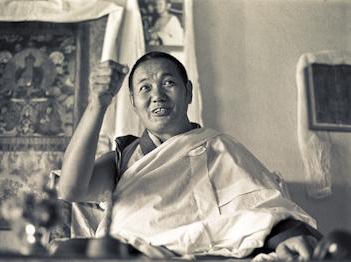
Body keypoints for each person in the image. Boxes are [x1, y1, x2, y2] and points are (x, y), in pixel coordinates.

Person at [58, 52, 321, 259]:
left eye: (168, 83)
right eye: (145, 88)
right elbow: (70, 190)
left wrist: (288, 235)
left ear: (189, 92)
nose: (157, 96)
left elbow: (265, 203)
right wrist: (98, 103)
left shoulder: (220, 147)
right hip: (133, 253)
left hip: (209, 251)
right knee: (64, 252)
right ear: (133, 104)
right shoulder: (126, 154)